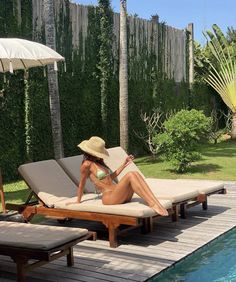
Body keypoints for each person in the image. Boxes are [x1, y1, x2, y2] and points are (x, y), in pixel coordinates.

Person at [70, 136, 168, 217]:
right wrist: (78, 201)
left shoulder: (99, 163)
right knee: (130, 175)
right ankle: (153, 204)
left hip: (118, 193)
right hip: (109, 197)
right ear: (92, 152)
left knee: (134, 173)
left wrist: (124, 164)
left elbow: (110, 178)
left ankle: (156, 203)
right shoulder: (86, 165)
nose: (101, 155)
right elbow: (82, 184)